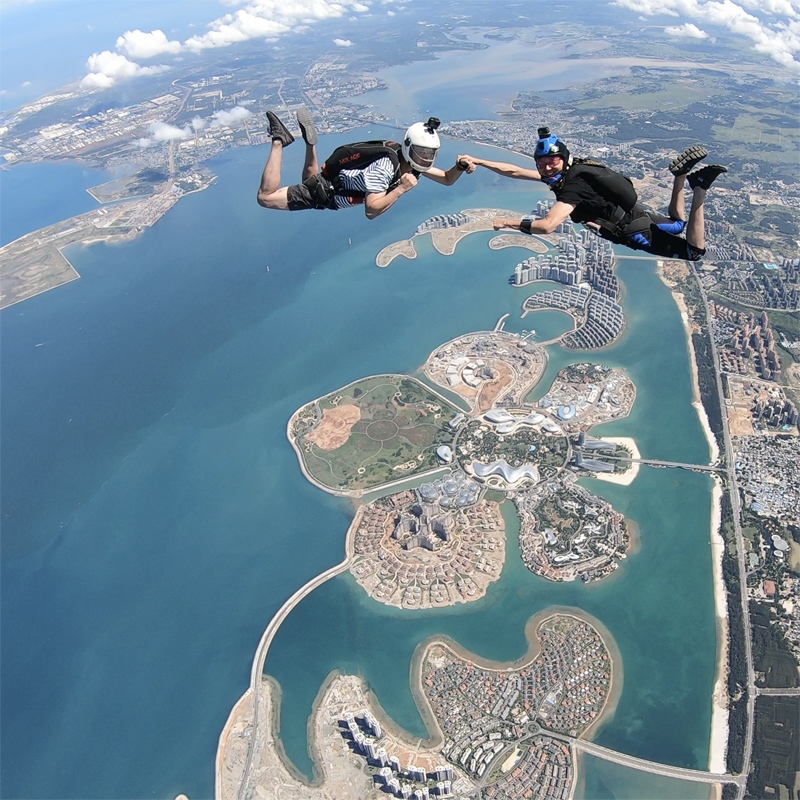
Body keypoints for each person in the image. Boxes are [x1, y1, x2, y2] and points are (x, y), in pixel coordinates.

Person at [459, 127, 727, 261]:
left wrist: (508, 223)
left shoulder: (572, 188)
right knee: (679, 224)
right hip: (637, 214)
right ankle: (681, 176)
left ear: (562, 159)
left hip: (633, 231)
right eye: (541, 164)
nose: (545, 167)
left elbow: (548, 225)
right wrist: (481, 161)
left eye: (551, 162)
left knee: (695, 252)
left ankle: (699, 187)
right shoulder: (570, 172)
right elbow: (515, 171)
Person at [257, 109, 472, 219]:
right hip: (327, 192)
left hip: (329, 182)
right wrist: (401, 189)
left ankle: (310, 144)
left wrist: (460, 167)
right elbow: (371, 211)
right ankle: (279, 140)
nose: (424, 159)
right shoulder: (386, 168)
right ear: (409, 148)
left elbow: (446, 179)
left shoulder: (411, 164)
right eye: (421, 153)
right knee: (265, 198)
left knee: (310, 180)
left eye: (429, 154)